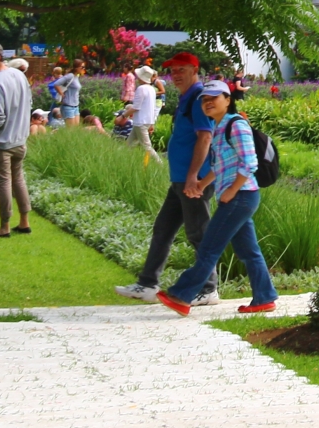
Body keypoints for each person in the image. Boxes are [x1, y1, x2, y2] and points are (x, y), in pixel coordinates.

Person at [156, 81, 277, 317]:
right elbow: (220, 165)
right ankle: (265, 297)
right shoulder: (219, 127)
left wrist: (232, 190)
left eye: (214, 97)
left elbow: (250, 163)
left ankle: (182, 295)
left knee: (210, 247)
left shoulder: (236, 125)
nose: (208, 102)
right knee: (249, 251)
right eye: (204, 99)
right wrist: (202, 183)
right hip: (237, 196)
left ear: (228, 99)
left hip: (240, 196)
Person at [116, 52, 218, 306]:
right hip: (181, 179)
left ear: (195, 70)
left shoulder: (198, 97)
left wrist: (194, 176)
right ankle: (148, 284)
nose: (176, 74)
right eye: (173, 70)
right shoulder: (186, 97)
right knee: (163, 228)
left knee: (198, 232)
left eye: (182, 69)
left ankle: (209, 288)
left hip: (192, 180)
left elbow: (205, 137)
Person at [0, 43, 33, 236]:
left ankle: (4, 227)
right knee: (18, 179)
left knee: (3, 182)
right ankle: (24, 222)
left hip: (2, 143)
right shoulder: (19, 75)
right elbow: (29, 103)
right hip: (20, 140)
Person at [128, 66, 160, 156]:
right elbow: (152, 107)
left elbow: (136, 107)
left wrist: (123, 116)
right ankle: (118, 159)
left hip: (140, 122)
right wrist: (152, 123)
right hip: (146, 121)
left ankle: (159, 164)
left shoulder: (141, 89)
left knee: (147, 147)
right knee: (129, 144)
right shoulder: (152, 89)